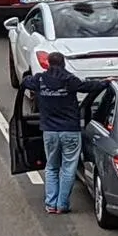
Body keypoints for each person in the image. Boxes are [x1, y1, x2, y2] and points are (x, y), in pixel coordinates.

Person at [27, 51, 107, 213]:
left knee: (51, 167)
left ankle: (50, 204)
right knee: (68, 167)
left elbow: (26, 83)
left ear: (49, 63)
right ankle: (62, 204)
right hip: (70, 130)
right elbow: (88, 87)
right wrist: (105, 82)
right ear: (63, 63)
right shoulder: (69, 80)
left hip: (49, 131)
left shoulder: (40, 80)